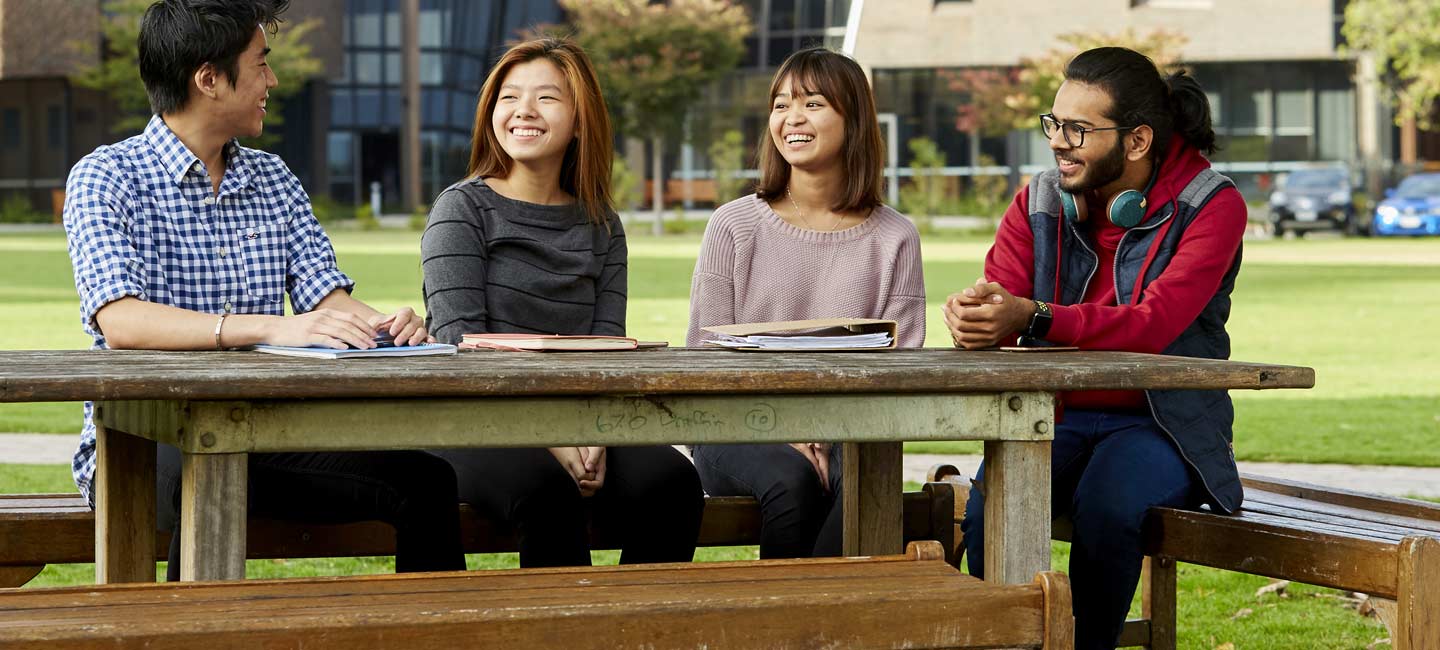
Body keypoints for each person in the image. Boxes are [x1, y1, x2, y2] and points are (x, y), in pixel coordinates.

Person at [62, 0, 465, 579]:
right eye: (260, 64)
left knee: (426, 481)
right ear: (208, 79)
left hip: (265, 431)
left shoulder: (273, 177)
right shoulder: (107, 176)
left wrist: (387, 328)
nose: (271, 81)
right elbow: (121, 322)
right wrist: (269, 326)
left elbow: (326, 300)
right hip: (140, 441)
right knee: (209, 474)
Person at [943, 47, 1246, 650]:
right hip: (1050, 415)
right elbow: (1004, 304)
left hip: (1161, 422)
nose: (1059, 142)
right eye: (1054, 123)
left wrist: (1036, 316)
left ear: (1136, 141)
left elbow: (1154, 324)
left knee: (1110, 510)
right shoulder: (1037, 200)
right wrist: (977, 319)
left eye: (1078, 130)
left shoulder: (1212, 205)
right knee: (986, 511)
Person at [420, 38, 703, 568]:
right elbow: (460, 348)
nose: (523, 110)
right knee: (549, 493)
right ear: (491, 113)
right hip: (471, 419)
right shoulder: (462, 209)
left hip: (581, 418)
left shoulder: (601, 223)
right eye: (509, 97)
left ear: (579, 120)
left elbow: (605, 351)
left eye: (546, 98)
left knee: (674, 481)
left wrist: (588, 432)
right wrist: (549, 437)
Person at [685, 48, 927, 559]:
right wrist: (786, 430)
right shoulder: (733, 226)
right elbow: (703, 359)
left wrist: (824, 431)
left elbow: (898, 368)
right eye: (780, 104)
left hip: (850, 433)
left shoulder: (895, 237)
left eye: (812, 103)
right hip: (731, 427)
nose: (791, 118)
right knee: (792, 481)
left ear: (854, 119)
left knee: (866, 477)